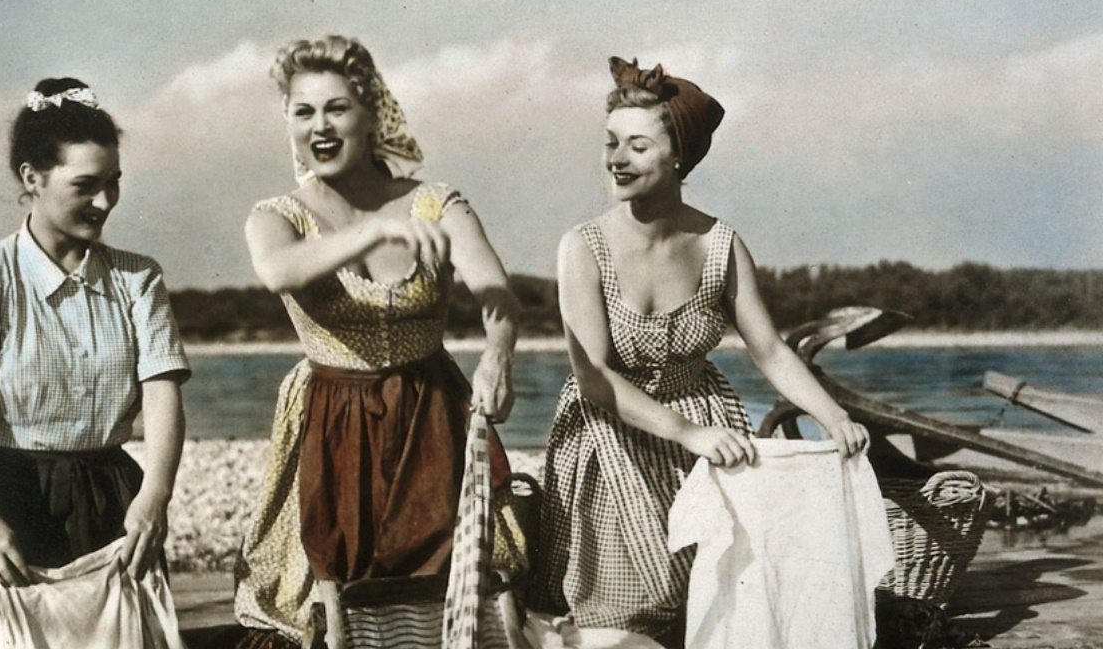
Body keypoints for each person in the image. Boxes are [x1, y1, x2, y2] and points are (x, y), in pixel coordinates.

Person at [532, 57, 870, 647]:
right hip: (612, 437)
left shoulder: (720, 244)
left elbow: (770, 350)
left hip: (707, 429)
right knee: (623, 614)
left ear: (679, 157)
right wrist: (689, 434)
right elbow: (595, 380)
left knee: (720, 602)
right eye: (611, 142)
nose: (617, 159)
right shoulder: (582, 246)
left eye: (638, 145)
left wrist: (834, 416)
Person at [232, 35, 524, 648]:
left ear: (372, 116)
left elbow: (498, 294)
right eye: (303, 112)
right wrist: (372, 233)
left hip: (432, 415)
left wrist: (498, 356)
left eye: (337, 108)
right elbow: (279, 271)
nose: (320, 126)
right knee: (331, 604)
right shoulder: (276, 216)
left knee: (452, 594)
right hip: (330, 424)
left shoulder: (435, 202)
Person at [0, 78, 190, 601]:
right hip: (9, 500)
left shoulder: (139, 279)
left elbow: (163, 394)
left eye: (113, 183)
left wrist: (155, 496)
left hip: (115, 502)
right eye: (86, 185)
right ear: (33, 178)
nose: (104, 201)